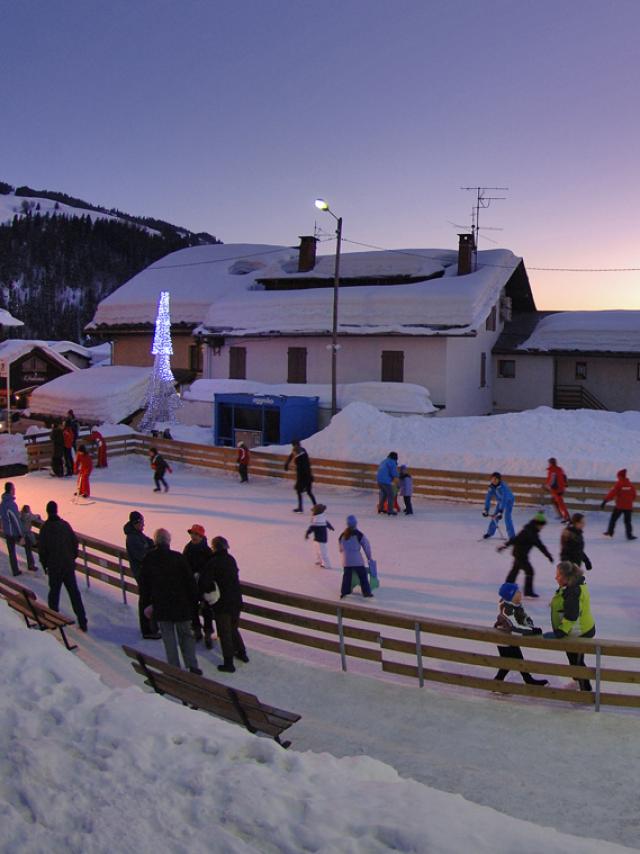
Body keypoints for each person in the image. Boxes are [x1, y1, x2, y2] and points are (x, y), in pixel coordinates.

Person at [139, 528, 201, 673]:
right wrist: (194, 602)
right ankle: (192, 666)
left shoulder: (149, 559)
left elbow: (144, 585)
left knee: (169, 640)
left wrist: (147, 604)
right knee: (185, 635)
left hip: (161, 606)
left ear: (155, 541)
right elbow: (190, 582)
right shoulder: (178, 558)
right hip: (181, 605)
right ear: (169, 541)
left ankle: (174, 669)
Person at [200, 536, 248, 673]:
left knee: (224, 632)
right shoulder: (231, 559)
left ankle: (229, 663)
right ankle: (242, 653)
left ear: (214, 547)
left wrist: (205, 594)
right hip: (236, 600)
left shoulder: (213, 562)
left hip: (222, 603)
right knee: (233, 628)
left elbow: (205, 582)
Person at [546, 561, 595, 692]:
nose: (556, 578)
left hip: (580, 631)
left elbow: (572, 615)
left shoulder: (573, 591)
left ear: (567, 577)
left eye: (558, 575)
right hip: (577, 629)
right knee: (573, 657)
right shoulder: (573, 584)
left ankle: (586, 689)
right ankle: (577, 677)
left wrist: (561, 631)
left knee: (577, 661)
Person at [38, 500, 87, 631]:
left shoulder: (45, 529)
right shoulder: (65, 525)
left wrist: (45, 565)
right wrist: (71, 558)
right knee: (74, 594)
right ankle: (82, 621)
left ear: (47, 512)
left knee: (54, 594)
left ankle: (53, 619)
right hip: (67, 565)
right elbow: (74, 542)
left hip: (54, 567)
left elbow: (42, 550)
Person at [493, 582, 548, 687]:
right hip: (504, 639)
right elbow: (514, 627)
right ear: (511, 595)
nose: (520, 593)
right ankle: (525, 680)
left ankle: (526, 679)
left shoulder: (516, 606)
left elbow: (524, 619)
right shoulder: (507, 609)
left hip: (511, 638)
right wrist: (531, 631)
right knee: (509, 663)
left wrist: (531, 627)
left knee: (511, 663)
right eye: (517, 592)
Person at [123, 511, 161, 639]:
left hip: (145, 573)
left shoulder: (137, 534)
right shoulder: (133, 538)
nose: (144, 525)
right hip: (142, 574)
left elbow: (148, 542)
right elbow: (142, 555)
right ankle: (148, 629)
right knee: (146, 600)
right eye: (142, 523)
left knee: (148, 599)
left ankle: (151, 626)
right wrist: (153, 551)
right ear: (136, 523)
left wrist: (153, 545)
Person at [498, 512, 553, 598]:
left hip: (519, 554)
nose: (542, 527)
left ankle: (507, 588)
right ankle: (528, 592)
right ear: (538, 524)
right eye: (542, 525)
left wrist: (548, 555)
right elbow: (515, 539)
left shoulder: (531, 531)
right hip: (520, 555)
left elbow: (540, 546)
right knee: (529, 571)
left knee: (515, 570)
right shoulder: (529, 532)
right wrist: (505, 545)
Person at [183, 523, 213, 644]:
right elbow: (183, 565)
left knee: (207, 609)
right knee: (192, 608)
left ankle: (208, 633)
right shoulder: (188, 548)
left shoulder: (207, 551)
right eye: (192, 534)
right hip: (191, 585)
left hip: (204, 585)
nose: (193, 536)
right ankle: (196, 630)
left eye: (196, 534)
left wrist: (201, 574)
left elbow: (211, 568)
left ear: (201, 536)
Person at [0, 482, 36, 575]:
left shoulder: (3, 503)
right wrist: (21, 535)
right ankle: (31, 565)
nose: (14, 490)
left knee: (11, 551)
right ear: (11, 490)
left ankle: (15, 570)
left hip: (7, 532)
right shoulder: (11, 504)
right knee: (27, 543)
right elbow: (16, 520)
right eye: (13, 488)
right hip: (14, 532)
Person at [339, 515, 374, 599]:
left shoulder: (342, 535)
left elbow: (340, 549)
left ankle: (344, 592)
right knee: (363, 576)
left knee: (346, 577)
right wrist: (369, 557)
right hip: (357, 561)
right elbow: (366, 546)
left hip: (346, 561)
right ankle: (366, 592)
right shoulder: (359, 534)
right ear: (355, 524)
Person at [601, 469, 637, 540]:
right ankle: (629, 535)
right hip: (628, 507)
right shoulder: (630, 485)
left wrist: (605, 501)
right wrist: (629, 501)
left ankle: (610, 533)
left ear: (620, 476)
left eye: (618, 476)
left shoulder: (619, 484)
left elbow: (612, 493)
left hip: (619, 506)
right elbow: (634, 495)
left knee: (613, 519)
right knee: (627, 522)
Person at [284, 439, 316, 512]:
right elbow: (291, 455)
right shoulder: (301, 450)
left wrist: (287, 464)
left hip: (303, 476)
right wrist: (287, 464)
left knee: (300, 491)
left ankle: (301, 508)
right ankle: (315, 506)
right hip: (307, 476)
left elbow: (303, 466)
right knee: (308, 492)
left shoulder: (299, 454)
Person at [483, 472, 515, 539]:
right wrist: (486, 509)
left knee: (507, 517)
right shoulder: (491, 487)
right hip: (500, 501)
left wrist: (501, 511)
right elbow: (488, 498)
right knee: (495, 516)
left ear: (499, 480)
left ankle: (512, 537)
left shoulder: (503, 487)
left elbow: (504, 499)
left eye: (496, 479)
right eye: (492, 479)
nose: (494, 481)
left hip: (509, 501)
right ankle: (490, 533)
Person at [305, 503, 334, 568]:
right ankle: (320, 560)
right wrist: (330, 527)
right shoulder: (320, 517)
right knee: (317, 550)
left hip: (321, 539)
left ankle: (326, 564)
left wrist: (307, 533)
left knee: (323, 552)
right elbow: (326, 522)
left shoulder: (317, 519)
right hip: (318, 538)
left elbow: (311, 528)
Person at [545, 457, 570, 523]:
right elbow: (564, 477)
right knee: (554, 501)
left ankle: (566, 517)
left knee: (560, 504)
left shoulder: (552, 471)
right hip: (561, 489)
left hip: (556, 490)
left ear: (550, 463)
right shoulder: (560, 469)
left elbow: (552, 481)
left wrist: (547, 486)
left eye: (549, 463)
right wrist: (564, 485)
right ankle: (562, 516)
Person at [20, 504, 42, 572]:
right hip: (26, 536)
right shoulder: (29, 516)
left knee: (28, 548)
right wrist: (38, 516)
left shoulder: (20, 515)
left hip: (20, 535)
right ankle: (31, 565)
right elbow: (34, 516)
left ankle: (31, 564)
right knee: (28, 548)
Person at [377, 452, 399, 516]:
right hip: (385, 481)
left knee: (384, 495)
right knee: (391, 495)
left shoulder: (384, 461)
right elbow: (394, 473)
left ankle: (380, 508)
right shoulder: (392, 462)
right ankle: (390, 510)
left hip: (379, 481)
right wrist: (397, 482)